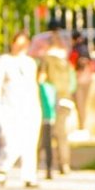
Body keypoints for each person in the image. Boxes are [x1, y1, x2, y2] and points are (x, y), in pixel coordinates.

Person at [0, 30, 42, 188]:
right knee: (12, 142)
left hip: (30, 106)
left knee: (30, 142)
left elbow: (34, 85)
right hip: (10, 107)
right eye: (19, 43)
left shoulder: (30, 63)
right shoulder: (5, 61)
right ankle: (4, 168)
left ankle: (29, 176)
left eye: (25, 44)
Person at [38, 31, 76, 174]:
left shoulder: (47, 61)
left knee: (47, 132)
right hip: (66, 99)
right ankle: (64, 164)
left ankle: (46, 165)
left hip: (51, 99)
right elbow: (72, 84)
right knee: (61, 133)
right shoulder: (66, 62)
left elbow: (41, 79)